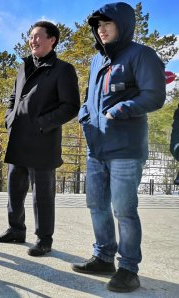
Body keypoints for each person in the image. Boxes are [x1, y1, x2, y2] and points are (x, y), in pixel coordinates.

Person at [71, 2, 166, 293]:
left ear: (123, 25)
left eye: (107, 24)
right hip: (96, 146)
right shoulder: (96, 60)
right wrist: (85, 115)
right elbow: (90, 98)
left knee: (123, 209)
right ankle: (103, 256)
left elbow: (154, 96)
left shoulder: (142, 55)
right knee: (96, 204)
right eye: (97, 26)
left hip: (125, 148)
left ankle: (128, 268)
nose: (101, 29)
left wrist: (122, 108)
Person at [0, 21, 80, 256]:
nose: (33, 40)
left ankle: (44, 239)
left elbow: (71, 107)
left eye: (38, 36)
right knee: (14, 190)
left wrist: (42, 124)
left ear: (52, 40)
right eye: (31, 36)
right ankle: (16, 230)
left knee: (42, 195)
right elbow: (13, 97)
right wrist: (9, 118)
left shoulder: (63, 69)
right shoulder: (25, 67)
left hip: (43, 142)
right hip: (18, 138)